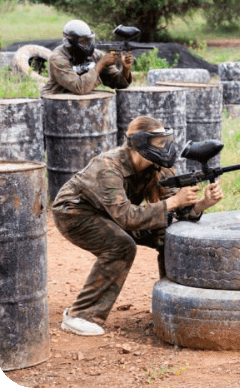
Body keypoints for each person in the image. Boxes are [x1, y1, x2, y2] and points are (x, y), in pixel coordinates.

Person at [52, 115, 224, 336]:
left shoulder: (156, 166)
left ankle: (169, 303)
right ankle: (80, 315)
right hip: (75, 213)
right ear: (141, 143)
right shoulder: (107, 167)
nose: (166, 147)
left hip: (112, 213)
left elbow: (175, 211)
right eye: (160, 142)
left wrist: (201, 204)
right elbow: (127, 218)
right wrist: (173, 202)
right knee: (120, 245)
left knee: (169, 232)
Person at [42, 19, 134, 95]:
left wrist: (125, 69)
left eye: (89, 40)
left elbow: (117, 82)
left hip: (81, 104)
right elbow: (80, 88)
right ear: (70, 42)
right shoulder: (58, 59)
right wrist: (100, 65)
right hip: (54, 102)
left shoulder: (96, 55)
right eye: (83, 41)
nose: (88, 44)